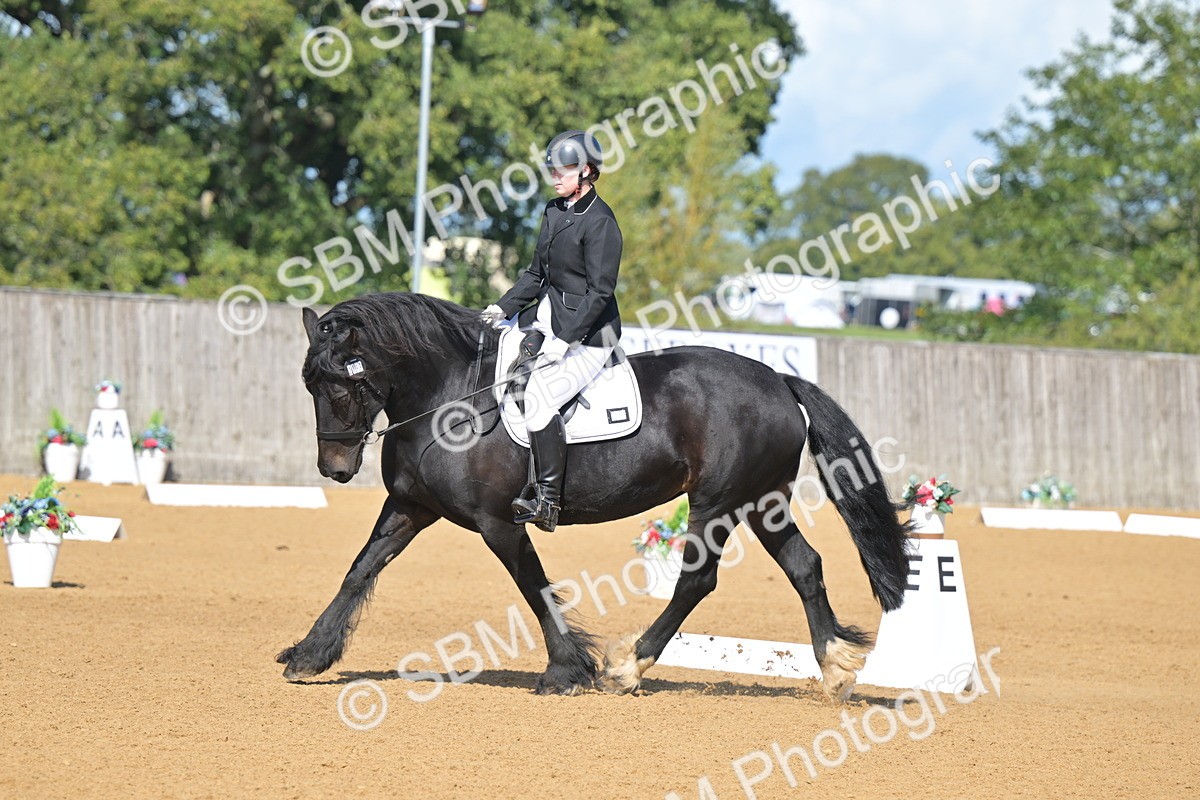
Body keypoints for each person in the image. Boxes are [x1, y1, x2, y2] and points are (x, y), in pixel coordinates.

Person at [480, 130, 623, 532]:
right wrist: (502, 307)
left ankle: (548, 500)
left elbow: (600, 293)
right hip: (546, 320)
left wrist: (565, 340)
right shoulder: (554, 210)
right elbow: (535, 274)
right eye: (552, 169)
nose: (554, 176)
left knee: (540, 399)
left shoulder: (601, 222)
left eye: (563, 170)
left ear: (587, 171)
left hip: (590, 335)